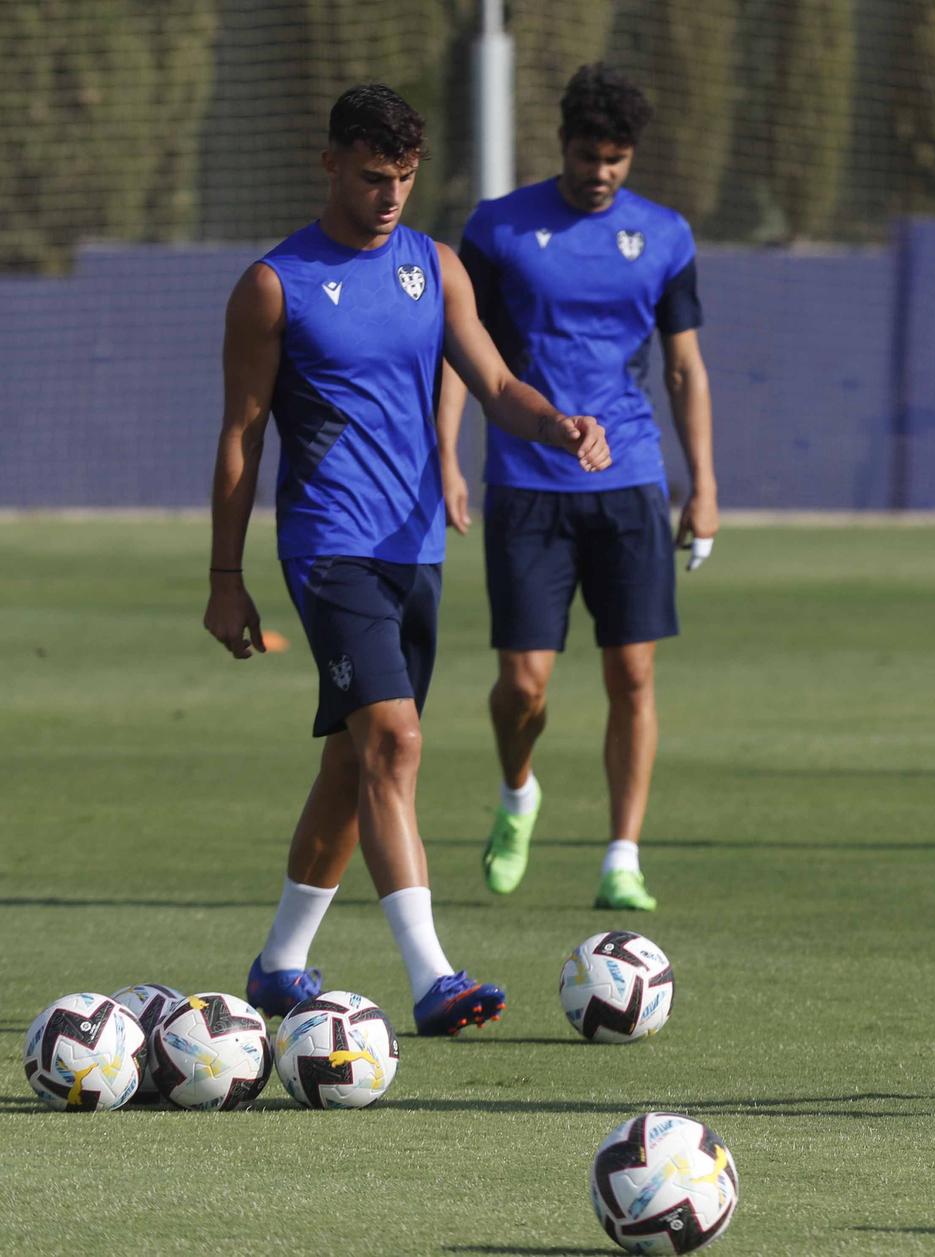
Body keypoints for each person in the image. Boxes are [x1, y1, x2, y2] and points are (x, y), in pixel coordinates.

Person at [203, 85, 611, 1035]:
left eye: (406, 179)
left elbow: (497, 382)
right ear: (332, 163)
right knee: (396, 741)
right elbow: (241, 435)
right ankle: (433, 977)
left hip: (415, 548)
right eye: (375, 177)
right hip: (328, 544)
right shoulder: (275, 284)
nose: (391, 196)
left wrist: (561, 425)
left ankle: (278, 962)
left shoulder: (436, 266)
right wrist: (226, 581)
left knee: (357, 762)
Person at [437, 63, 717, 913]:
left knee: (633, 676)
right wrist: (445, 456)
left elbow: (684, 368)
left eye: (619, 158)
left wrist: (703, 486)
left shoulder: (664, 236)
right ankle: (519, 792)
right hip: (526, 480)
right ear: (562, 144)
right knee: (524, 682)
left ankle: (622, 855)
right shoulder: (498, 229)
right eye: (590, 155)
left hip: (630, 478)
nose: (603, 172)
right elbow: (464, 349)